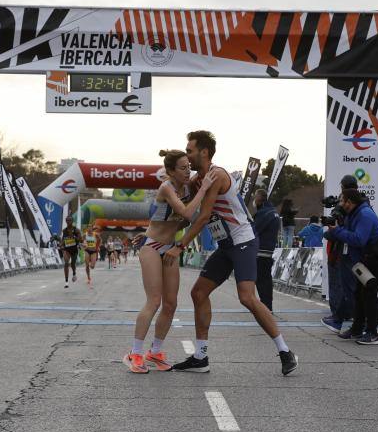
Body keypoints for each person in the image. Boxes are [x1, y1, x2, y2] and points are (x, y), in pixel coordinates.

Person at [164, 130, 298, 375]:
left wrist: (179, 245)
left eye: (190, 150)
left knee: (247, 297)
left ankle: (285, 351)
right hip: (226, 245)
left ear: (204, 152)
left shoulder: (217, 175)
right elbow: (188, 212)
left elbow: (203, 217)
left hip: (244, 241)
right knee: (199, 293)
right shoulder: (198, 180)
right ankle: (200, 356)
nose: (188, 155)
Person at [122, 150, 217, 373]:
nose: (188, 171)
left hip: (171, 248)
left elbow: (181, 221)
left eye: (189, 167)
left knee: (171, 304)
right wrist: (203, 190)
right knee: (154, 301)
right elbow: (185, 212)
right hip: (153, 247)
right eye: (183, 168)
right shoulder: (167, 187)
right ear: (171, 171)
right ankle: (134, 353)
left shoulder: (188, 186)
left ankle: (155, 352)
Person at [325, 188, 378, 345]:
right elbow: (348, 233)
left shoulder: (364, 214)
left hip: (375, 259)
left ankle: (372, 333)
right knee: (358, 294)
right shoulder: (354, 213)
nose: (341, 204)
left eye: (342, 201)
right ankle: (357, 329)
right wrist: (335, 230)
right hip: (363, 260)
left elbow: (359, 239)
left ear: (350, 202)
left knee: (369, 295)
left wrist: (338, 231)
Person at [321, 175, 358, 334]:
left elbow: (353, 235)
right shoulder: (361, 206)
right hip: (351, 252)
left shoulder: (359, 211)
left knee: (341, 285)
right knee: (350, 286)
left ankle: (338, 316)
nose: (342, 204)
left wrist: (331, 232)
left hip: (342, 251)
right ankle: (350, 319)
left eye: (343, 201)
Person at [252, 188, 280, 312]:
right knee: (266, 280)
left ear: (259, 199)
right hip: (269, 251)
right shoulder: (273, 212)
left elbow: (254, 230)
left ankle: (266, 306)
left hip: (261, 251)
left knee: (261, 281)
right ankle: (267, 305)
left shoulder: (264, 213)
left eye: (255, 198)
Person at [61, 216, 81, 288]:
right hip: (67, 249)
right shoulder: (64, 230)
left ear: (72, 221)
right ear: (66, 221)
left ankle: (74, 273)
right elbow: (63, 239)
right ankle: (66, 282)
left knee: (73, 264)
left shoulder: (76, 230)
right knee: (66, 263)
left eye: (70, 220)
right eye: (67, 220)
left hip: (74, 249)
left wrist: (74, 237)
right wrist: (61, 244)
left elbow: (80, 239)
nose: (68, 222)